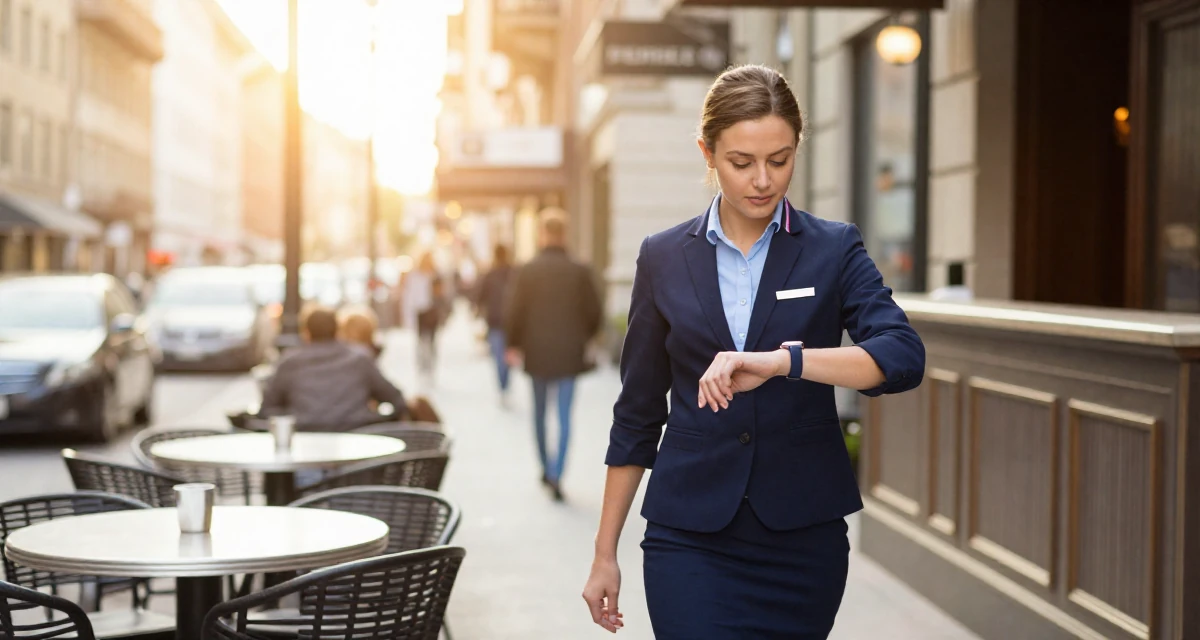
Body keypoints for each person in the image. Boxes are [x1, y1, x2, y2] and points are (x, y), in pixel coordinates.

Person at [581, 64, 926, 638]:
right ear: (708, 152)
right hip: (689, 535)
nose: (763, 180)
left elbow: (902, 356)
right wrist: (604, 553)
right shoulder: (662, 257)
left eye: (780, 159)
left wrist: (785, 361)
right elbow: (638, 412)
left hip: (801, 540)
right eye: (742, 162)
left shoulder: (833, 248)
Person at [505, 210, 602, 501]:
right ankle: (558, 473)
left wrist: (513, 344)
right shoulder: (579, 270)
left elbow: (515, 311)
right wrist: (584, 338)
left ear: (542, 234)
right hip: (569, 353)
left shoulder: (528, 269)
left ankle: (546, 468)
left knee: (539, 414)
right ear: (564, 234)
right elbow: (594, 313)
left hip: (536, 352)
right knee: (563, 417)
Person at [260, 305, 408, 430]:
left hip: (305, 439)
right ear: (337, 331)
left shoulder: (289, 362)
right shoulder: (359, 358)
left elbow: (267, 409)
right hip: (358, 440)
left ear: (306, 333)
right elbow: (395, 398)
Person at [475, 245, 515, 406]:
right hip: (508, 322)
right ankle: (505, 386)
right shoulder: (513, 272)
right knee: (506, 356)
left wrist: (478, 309)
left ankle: (503, 387)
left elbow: (480, 296)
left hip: (497, 322)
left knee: (499, 357)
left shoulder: (491, 274)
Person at [404, 252, 448, 389]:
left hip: (432, 312)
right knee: (421, 342)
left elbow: (442, 295)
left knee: (432, 342)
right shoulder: (414, 276)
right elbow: (409, 296)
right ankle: (422, 368)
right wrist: (408, 317)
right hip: (420, 313)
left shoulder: (435, 275)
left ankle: (430, 370)